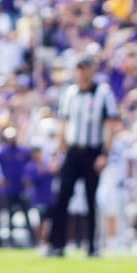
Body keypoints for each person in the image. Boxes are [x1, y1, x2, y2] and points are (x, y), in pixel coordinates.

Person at [46, 55, 118, 257]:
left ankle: (93, 246)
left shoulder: (103, 94)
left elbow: (111, 126)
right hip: (73, 151)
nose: (82, 73)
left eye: (85, 68)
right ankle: (56, 244)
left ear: (92, 70)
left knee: (90, 198)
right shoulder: (70, 93)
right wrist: (58, 152)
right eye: (79, 69)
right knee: (62, 197)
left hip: (93, 152)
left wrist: (104, 153)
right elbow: (64, 123)